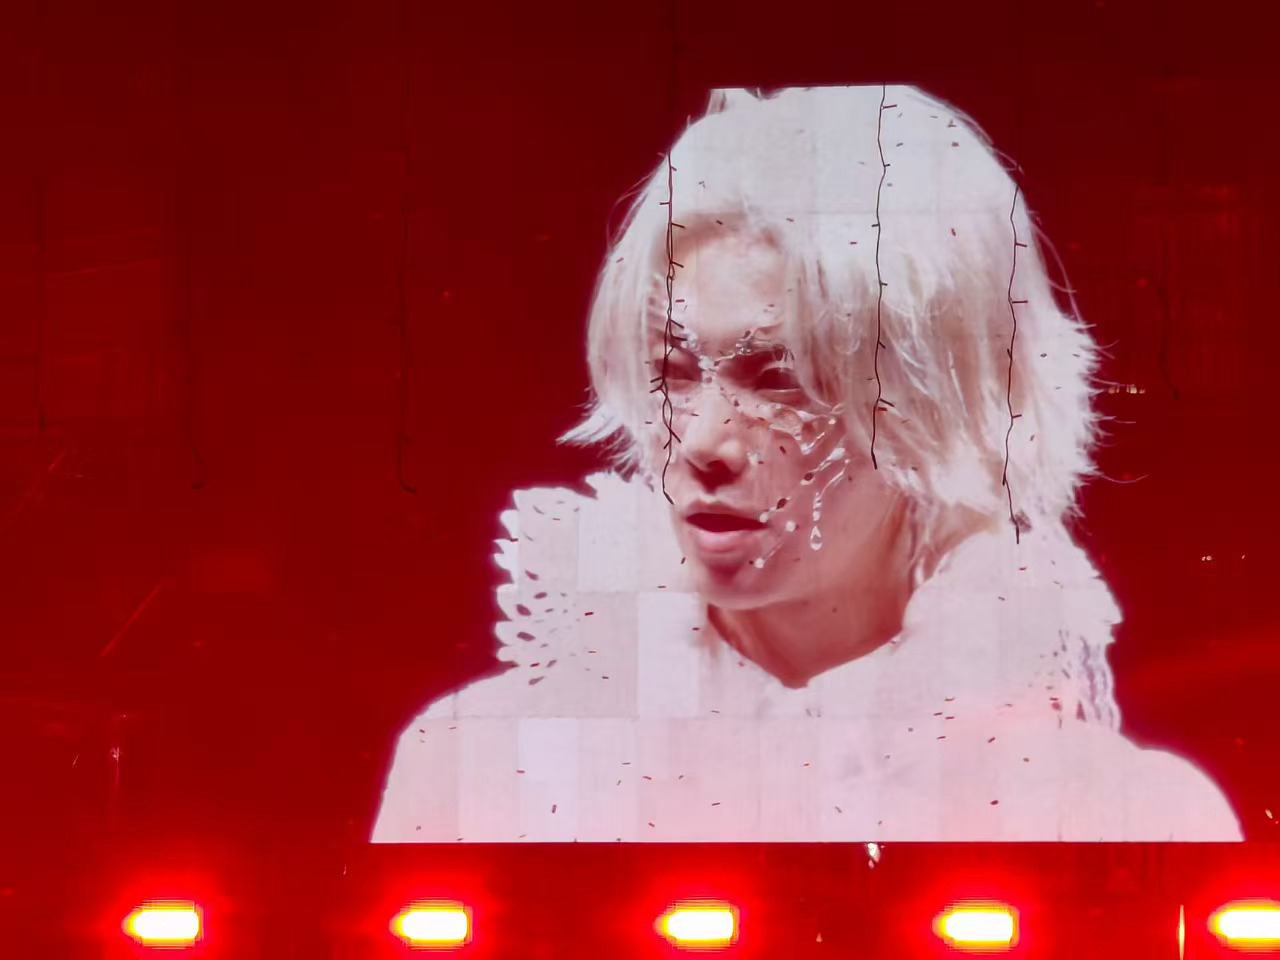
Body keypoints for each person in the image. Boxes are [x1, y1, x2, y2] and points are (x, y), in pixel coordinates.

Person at [372, 85, 1241, 842]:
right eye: (673, 370)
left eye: (780, 379)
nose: (703, 441)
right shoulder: (478, 769)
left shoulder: (1122, 812)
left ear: (942, 399)